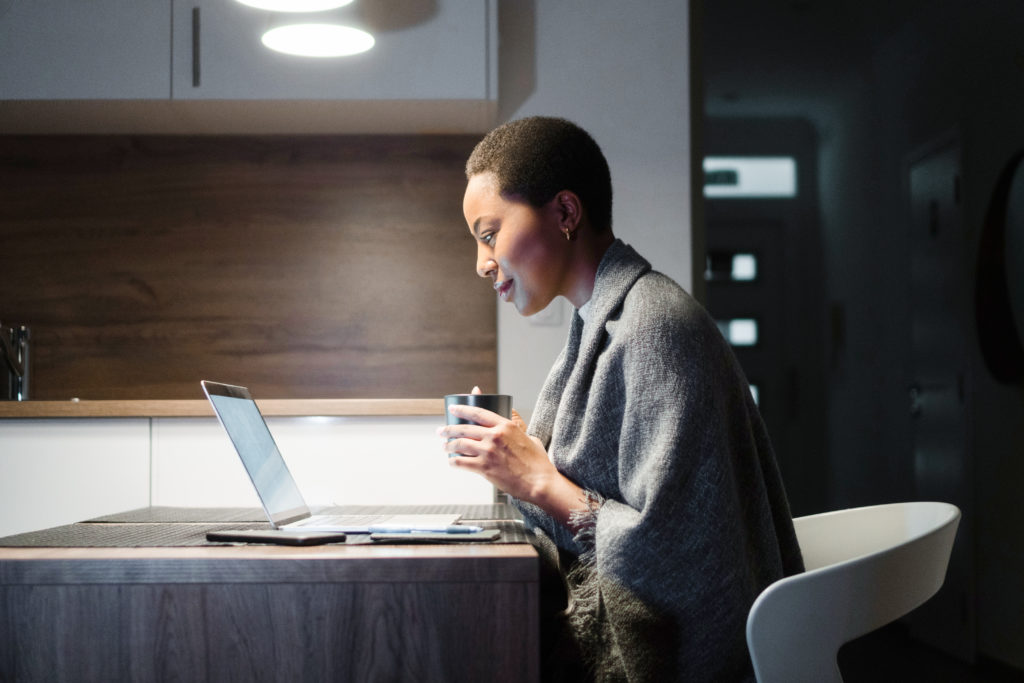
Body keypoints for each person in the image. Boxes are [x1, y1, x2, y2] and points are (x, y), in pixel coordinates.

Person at [438, 116, 804, 682]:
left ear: (565, 213)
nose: (482, 263)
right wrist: (517, 462)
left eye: (489, 235)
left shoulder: (655, 326)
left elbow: (683, 557)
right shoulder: (599, 324)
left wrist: (540, 481)